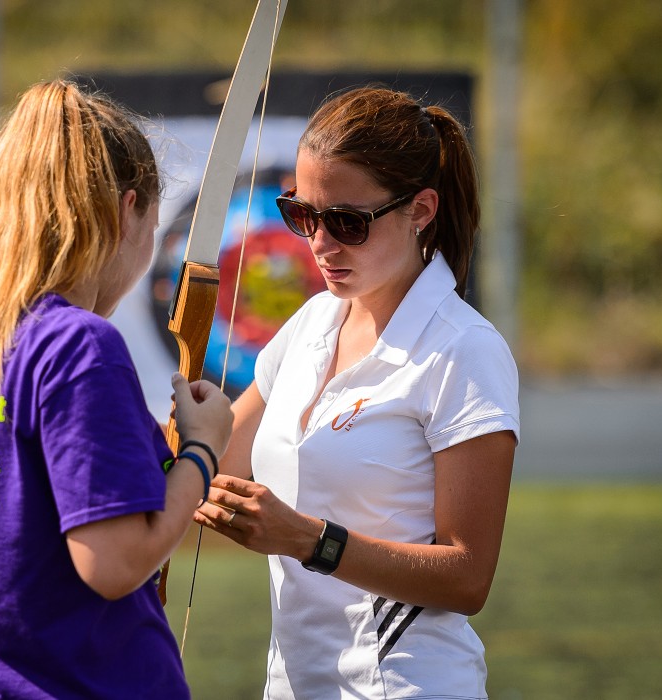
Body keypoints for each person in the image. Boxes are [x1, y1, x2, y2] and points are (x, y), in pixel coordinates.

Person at [0, 79, 232, 700]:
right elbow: (115, 565)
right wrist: (202, 452)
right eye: (153, 226)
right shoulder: (78, 348)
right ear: (126, 210)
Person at [193, 86, 520, 699]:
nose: (319, 243)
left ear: (420, 210)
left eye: (347, 221)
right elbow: (208, 461)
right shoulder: (313, 321)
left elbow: (468, 576)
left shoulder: (464, 350)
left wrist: (306, 540)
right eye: (302, 214)